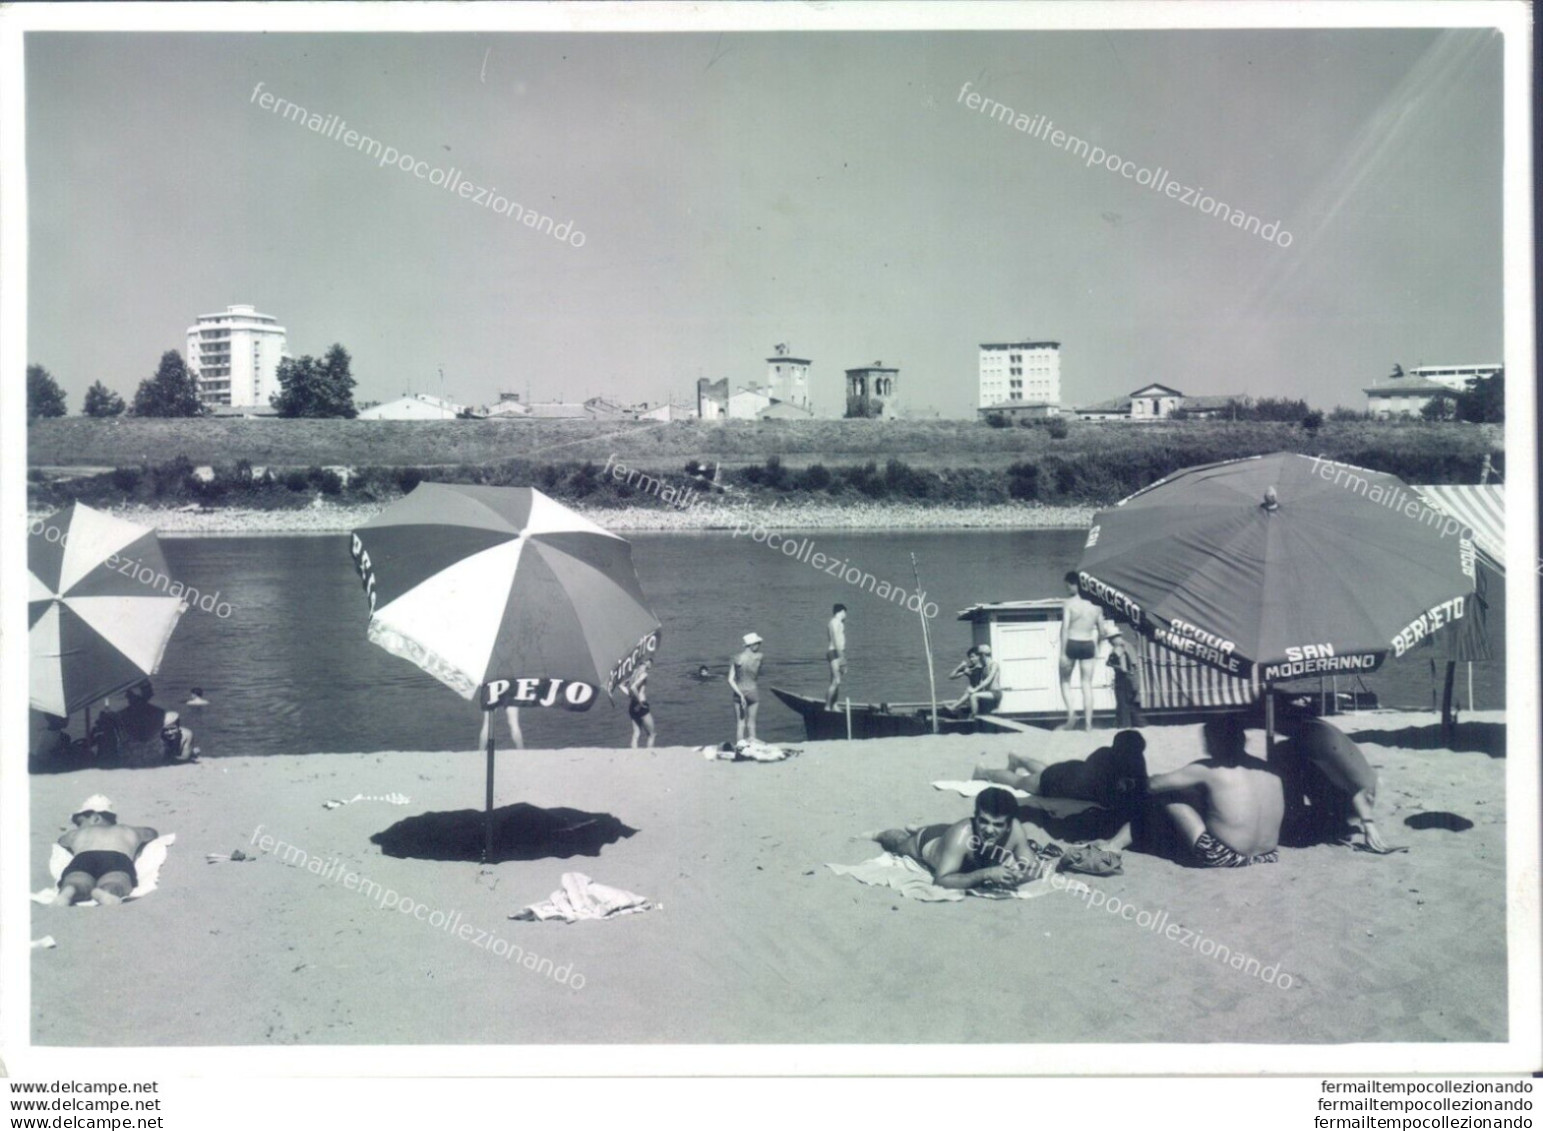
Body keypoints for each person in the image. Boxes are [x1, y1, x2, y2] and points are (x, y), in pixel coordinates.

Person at [1105, 715, 1283, 868]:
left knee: (1167, 794)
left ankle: (1114, 844)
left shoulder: (1207, 769)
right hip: (1267, 856)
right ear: (1243, 740)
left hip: (1223, 857)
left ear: (1213, 740)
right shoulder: (1268, 770)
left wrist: (1131, 781)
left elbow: (1153, 785)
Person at [876, 787, 1050, 891]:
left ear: (1009, 825)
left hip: (952, 837)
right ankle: (880, 833)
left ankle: (918, 827)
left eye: (997, 825)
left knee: (952, 835)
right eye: (983, 822)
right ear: (975, 817)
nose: (989, 830)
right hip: (929, 843)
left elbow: (1035, 869)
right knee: (898, 843)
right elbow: (941, 880)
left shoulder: (1016, 830)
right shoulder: (962, 834)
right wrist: (987, 873)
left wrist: (1017, 876)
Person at [1274, 707, 1390, 852]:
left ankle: (1304, 819)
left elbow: (1353, 787)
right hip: (1366, 790)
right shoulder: (1317, 726)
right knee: (1285, 751)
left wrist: (1368, 824)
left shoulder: (1314, 738)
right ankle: (1304, 816)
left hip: (1358, 802)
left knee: (1283, 753)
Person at [54, 795, 158, 907]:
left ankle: (70, 890)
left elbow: (62, 841)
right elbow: (151, 833)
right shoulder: (127, 829)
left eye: (80, 823)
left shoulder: (76, 833)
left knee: (77, 878)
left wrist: (78, 834)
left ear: (95, 818)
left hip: (83, 857)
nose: (78, 827)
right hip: (116, 857)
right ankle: (106, 892)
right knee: (116, 880)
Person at [1060, 572, 1103, 730]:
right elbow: (1102, 631)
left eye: (1068, 586)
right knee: (1087, 685)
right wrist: (1098, 647)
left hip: (1072, 642)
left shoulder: (1069, 603)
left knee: (1065, 681)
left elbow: (1065, 628)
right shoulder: (1097, 605)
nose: (1067, 589)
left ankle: (1072, 714)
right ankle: (1088, 724)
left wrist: (1062, 653)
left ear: (1074, 584)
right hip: (1088, 644)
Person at [1102, 620, 1145, 728]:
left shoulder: (1118, 648)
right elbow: (1134, 664)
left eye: (1109, 639)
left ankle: (1124, 726)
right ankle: (1140, 724)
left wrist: (1111, 665)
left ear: (1113, 638)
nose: (1109, 642)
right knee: (1131, 704)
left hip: (1123, 679)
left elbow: (1121, 666)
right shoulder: (1128, 645)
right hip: (1134, 677)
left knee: (1123, 704)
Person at [728, 632, 765, 744]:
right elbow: (756, 674)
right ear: (752, 645)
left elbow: (730, 679)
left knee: (740, 724)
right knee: (752, 723)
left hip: (739, 692)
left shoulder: (736, 658)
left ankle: (740, 748)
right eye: (758, 643)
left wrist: (740, 695)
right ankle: (753, 747)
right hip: (753, 691)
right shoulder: (760, 657)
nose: (759, 645)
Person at [948, 645, 1001, 719]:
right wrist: (962, 669)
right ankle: (959, 710)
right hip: (988, 692)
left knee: (973, 695)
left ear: (982, 655)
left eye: (978, 655)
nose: (971, 659)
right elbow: (951, 677)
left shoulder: (994, 664)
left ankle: (974, 717)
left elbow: (988, 680)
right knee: (970, 691)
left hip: (995, 693)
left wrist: (974, 690)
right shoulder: (985, 667)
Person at [624, 659, 656, 749]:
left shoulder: (634, 673)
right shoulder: (644, 674)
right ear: (647, 663)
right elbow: (634, 687)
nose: (651, 665)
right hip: (640, 704)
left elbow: (621, 685)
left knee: (636, 733)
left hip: (632, 706)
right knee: (652, 734)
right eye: (650, 662)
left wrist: (631, 696)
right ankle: (649, 756)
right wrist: (640, 702)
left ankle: (634, 755)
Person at [824, 604, 848, 710]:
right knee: (836, 681)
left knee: (835, 681)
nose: (846, 615)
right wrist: (842, 657)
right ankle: (827, 706)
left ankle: (834, 704)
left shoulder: (839, 623)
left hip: (838, 652)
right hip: (834, 652)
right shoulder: (834, 622)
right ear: (841, 611)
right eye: (845, 613)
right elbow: (834, 639)